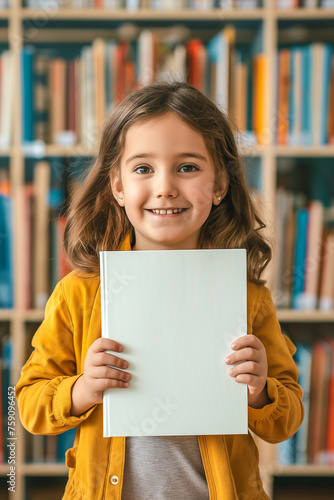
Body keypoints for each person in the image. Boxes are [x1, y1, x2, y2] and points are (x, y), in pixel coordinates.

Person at [16, 80, 303, 500]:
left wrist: (260, 392)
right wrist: (82, 390)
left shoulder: (246, 298)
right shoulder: (78, 293)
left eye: (187, 167)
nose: (165, 186)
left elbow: (287, 418)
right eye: (143, 169)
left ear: (220, 184)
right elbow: (26, 404)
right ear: (118, 186)